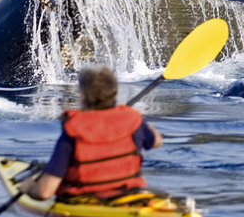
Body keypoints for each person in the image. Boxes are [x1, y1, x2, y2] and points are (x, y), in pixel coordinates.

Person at [24, 66, 163, 201]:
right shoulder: (133, 121)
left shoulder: (73, 131)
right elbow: (156, 141)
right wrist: (146, 126)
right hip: (130, 198)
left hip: (85, 202)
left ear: (83, 96)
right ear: (114, 93)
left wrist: (28, 187)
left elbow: (44, 193)